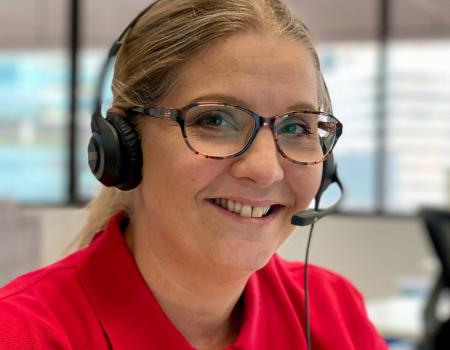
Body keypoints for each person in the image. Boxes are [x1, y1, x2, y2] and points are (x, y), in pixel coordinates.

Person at [0, 0, 388, 349]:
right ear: (125, 145)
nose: (266, 170)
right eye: (215, 119)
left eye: (296, 128)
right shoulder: (24, 335)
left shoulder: (333, 310)